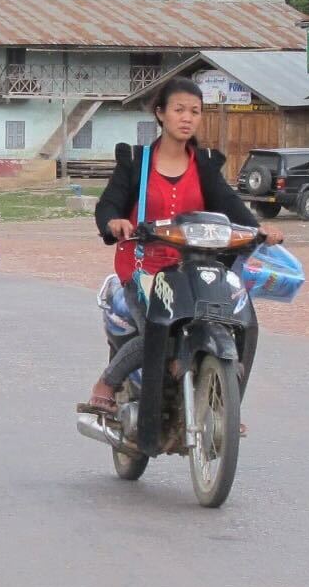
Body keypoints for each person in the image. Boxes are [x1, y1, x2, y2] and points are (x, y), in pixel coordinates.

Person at [82, 76, 280, 418]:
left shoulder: (204, 165)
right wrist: (114, 222)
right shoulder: (136, 161)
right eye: (179, 110)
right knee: (161, 331)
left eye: (195, 111)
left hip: (195, 266)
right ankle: (107, 382)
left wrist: (258, 229)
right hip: (144, 268)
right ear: (161, 114)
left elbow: (230, 205)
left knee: (238, 323)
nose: (187, 118)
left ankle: (224, 407)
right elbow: (109, 204)